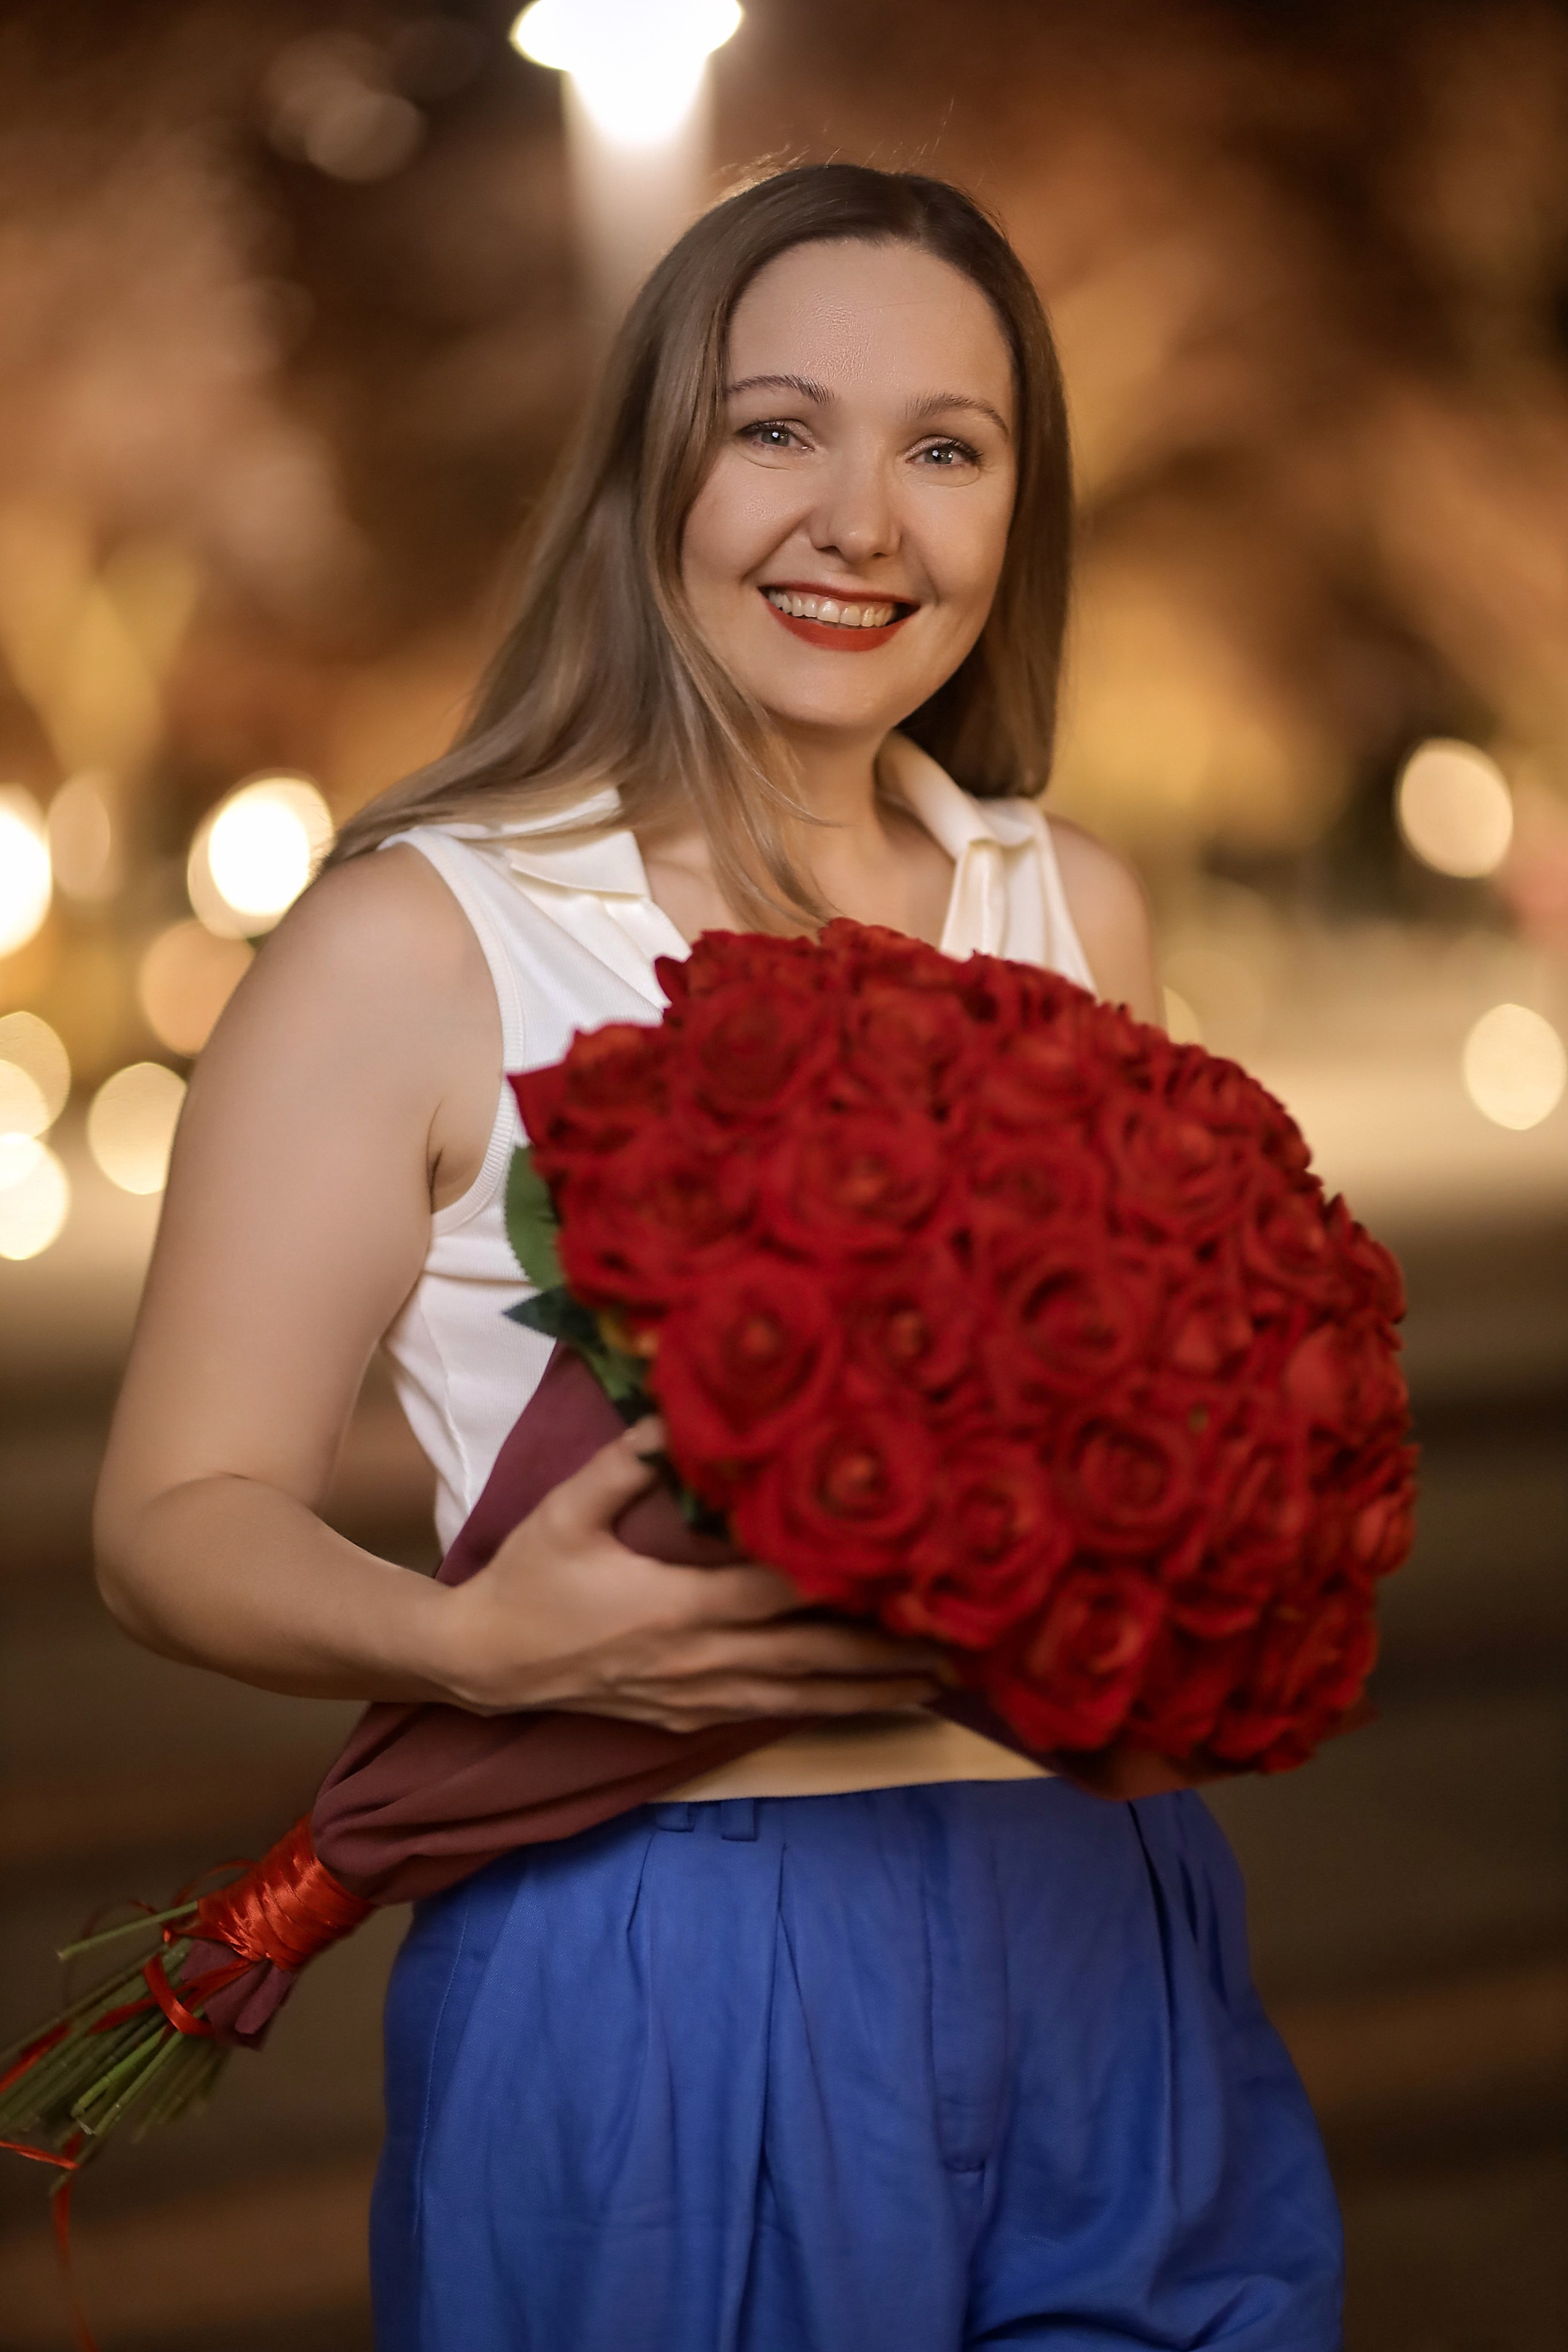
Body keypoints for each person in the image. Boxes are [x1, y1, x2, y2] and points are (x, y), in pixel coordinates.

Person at [94, 165, 1342, 2350]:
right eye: (781, 428)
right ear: (649, 466)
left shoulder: (1077, 910)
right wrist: (487, 1654)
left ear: (1013, 516)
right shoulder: (422, 939)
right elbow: (170, 1524)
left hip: (1099, 1923)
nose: (864, 517)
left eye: (946, 450)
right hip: (658, 1956)